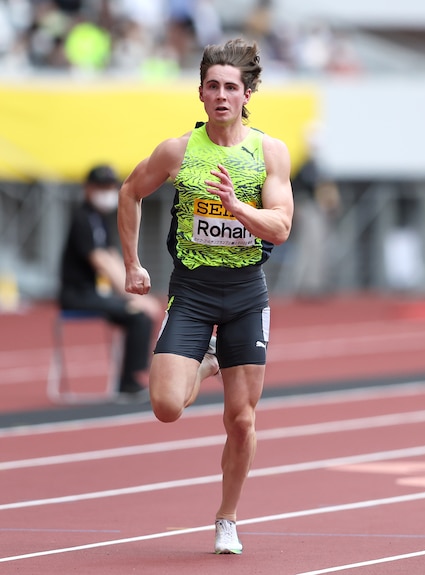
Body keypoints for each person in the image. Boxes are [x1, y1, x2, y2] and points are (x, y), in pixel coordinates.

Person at [117, 38, 294, 555]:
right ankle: (208, 362)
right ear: (200, 93)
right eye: (213, 86)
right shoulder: (178, 151)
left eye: (231, 88)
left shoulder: (268, 152)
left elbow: (281, 227)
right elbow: (130, 191)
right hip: (191, 291)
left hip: (245, 295)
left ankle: (226, 518)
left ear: (247, 94)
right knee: (167, 405)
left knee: (241, 420)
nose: (221, 95)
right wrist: (132, 262)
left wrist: (238, 207)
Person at [59, 164, 162, 402]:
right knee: (137, 315)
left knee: (139, 313)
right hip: (77, 294)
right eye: (100, 187)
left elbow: (113, 256)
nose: (106, 192)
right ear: (88, 189)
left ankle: (132, 378)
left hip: (95, 293)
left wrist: (137, 292)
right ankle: (128, 383)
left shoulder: (100, 218)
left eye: (109, 186)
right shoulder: (83, 219)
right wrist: (132, 297)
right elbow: (101, 261)